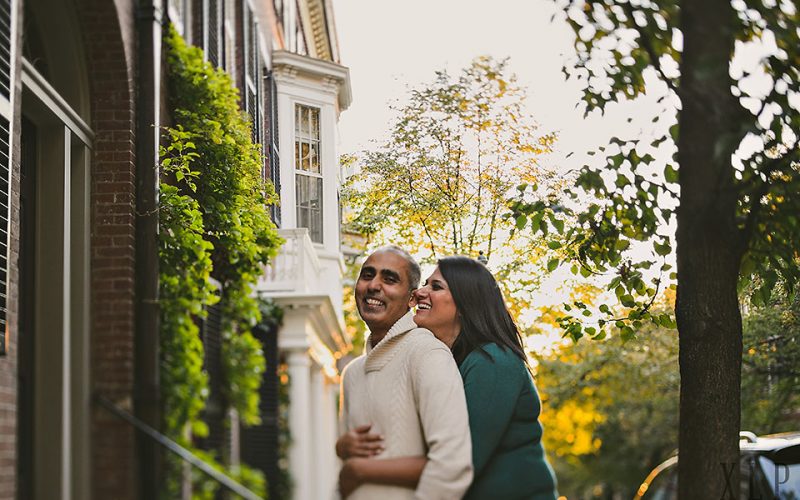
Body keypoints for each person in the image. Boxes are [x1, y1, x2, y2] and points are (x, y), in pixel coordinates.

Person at [339, 256, 558, 499]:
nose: (420, 292)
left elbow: (457, 461)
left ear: (465, 304)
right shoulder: (443, 361)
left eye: (436, 286)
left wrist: (360, 469)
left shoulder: (493, 362)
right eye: (425, 283)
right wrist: (344, 446)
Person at [338, 246, 473, 499]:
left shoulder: (428, 354)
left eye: (389, 279)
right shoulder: (352, 373)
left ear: (412, 299)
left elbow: (452, 464)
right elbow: (346, 469)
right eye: (367, 275)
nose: (373, 285)